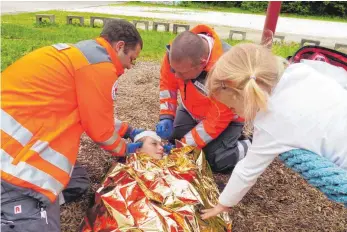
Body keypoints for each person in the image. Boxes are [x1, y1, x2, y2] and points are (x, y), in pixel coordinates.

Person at [1, 19, 144, 231]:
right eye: (131, 58)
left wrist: (128, 130)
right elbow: (101, 133)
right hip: (14, 164)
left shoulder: (82, 57)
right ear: (119, 46)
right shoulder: (102, 67)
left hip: (14, 140)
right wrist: (128, 149)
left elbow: (92, 110)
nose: (131, 66)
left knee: (77, 182)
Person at [200, 43, 347, 219]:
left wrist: (223, 203)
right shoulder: (301, 69)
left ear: (245, 95)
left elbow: (247, 170)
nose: (232, 112)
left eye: (232, 107)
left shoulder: (270, 123)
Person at [79, 131, 231, 232]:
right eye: (154, 144)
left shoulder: (174, 164)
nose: (161, 148)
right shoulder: (127, 168)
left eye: (161, 145)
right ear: (137, 149)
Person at [156, 24, 251, 173]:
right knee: (176, 140)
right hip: (192, 110)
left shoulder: (227, 70)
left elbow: (216, 119)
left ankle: (250, 145)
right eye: (175, 70)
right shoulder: (176, 53)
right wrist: (166, 116)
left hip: (228, 119)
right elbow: (168, 85)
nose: (177, 76)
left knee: (215, 159)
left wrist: (184, 145)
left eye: (181, 73)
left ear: (201, 63)